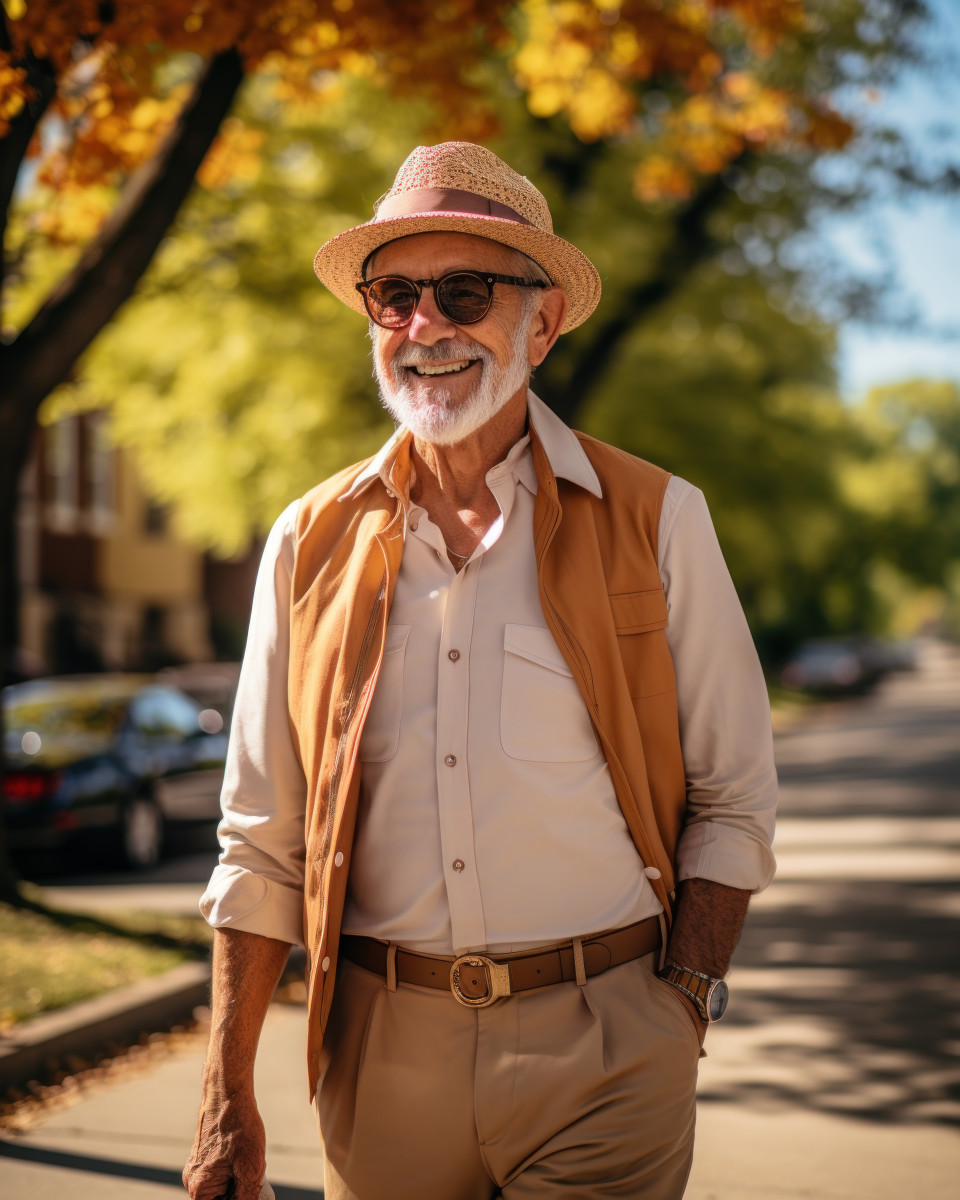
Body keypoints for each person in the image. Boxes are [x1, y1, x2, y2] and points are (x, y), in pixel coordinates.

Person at [184, 141, 777, 1200]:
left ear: (540, 324)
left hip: (606, 1046)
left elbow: (732, 798)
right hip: (380, 1057)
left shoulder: (657, 518)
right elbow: (260, 838)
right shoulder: (306, 540)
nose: (425, 327)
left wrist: (680, 999)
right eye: (394, 296)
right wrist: (226, 1096)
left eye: (465, 292)